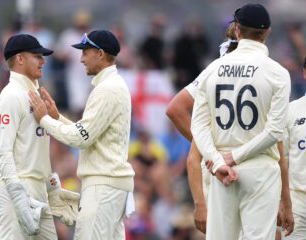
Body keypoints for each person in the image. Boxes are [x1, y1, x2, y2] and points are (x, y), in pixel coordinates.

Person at [166, 22, 294, 237]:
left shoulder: (216, 69)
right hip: (255, 170)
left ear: (237, 35)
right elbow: (276, 143)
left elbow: (177, 111)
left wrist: (215, 154)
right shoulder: (271, 73)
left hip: (221, 171)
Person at [29, 30, 135, 240]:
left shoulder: (107, 89)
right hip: (111, 184)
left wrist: (44, 120)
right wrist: (57, 118)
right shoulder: (112, 85)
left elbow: (80, 139)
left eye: (86, 52)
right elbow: (88, 132)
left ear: (101, 54)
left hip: (103, 185)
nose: (81, 58)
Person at [0, 34, 79, 240]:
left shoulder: (35, 95)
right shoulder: (10, 96)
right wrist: (18, 195)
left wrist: (52, 186)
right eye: (37, 56)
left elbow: (34, 150)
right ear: (20, 59)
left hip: (38, 188)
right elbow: (1, 152)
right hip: (15, 188)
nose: (43, 61)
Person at [282, 57, 306, 239]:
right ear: (304, 73)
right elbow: (281, 161)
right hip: (298, 203)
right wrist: (282, 202)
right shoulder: (291, 111)